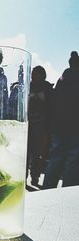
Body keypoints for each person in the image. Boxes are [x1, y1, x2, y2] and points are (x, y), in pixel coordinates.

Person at [43, 51, 79, 188]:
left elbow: (53, 102)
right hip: (76, 127)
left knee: (55, 159)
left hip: (58, 127)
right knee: (73, 161)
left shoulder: (61, 80)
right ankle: (67, 195)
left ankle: (46, 191)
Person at [27, 66, 53, 187]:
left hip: (41, 126)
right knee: (26, 152)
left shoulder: (47, 88)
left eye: (37, 74)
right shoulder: (28, 86)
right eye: (33, 74)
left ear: (42, 75)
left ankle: (35, 177)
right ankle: (24, 177)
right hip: (28, 124)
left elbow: (51, 107)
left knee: (36, 153)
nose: (34, 76)